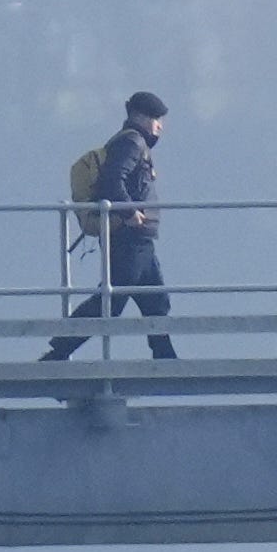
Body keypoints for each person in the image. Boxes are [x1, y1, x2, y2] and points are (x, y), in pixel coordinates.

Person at [39, 93, 174, 363]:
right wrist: (129, 212)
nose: (160, 125)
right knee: (111, 301)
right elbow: (113, 180)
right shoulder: (131, 143)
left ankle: (166, 357)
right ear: (140, 117)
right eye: (155, 118)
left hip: (139, 239)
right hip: (129, 237)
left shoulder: (130, 143)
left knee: (156, 301)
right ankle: (58, 351)